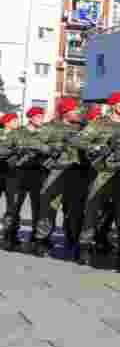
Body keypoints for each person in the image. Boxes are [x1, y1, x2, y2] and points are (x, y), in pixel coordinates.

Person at [75, 92, 120, 269]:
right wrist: (96, 147)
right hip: (102, 173)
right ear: (113, 105)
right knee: (92, 211)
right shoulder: (99, 123)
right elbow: (79, 140)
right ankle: (85, 247)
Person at [37, 98, 85, 258]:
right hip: (55, 172)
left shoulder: (82, 128)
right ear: (65, 112)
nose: (78, 112)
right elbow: (36, 143)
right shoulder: (50, 127)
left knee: (75, 210)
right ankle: (42, 241)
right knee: (49, 209)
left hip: (76, 173)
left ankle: (74, 241)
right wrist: (52, 148)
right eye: (75, 110)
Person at [6, 107, 49, 254]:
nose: (41, 119)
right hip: (19, 175)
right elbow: (3, 149)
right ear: (30, 118)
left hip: (38, 175)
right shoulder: (17, 133)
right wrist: (16, 151)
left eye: (42, 117)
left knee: (38, 209)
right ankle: (10, 236)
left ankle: (37, 240)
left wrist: (45, 150)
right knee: (14, 208)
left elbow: (52, 149)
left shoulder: (45, 133)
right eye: (38, 117)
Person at [0, 113, 20, 248]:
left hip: (13, 175)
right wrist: (10, 150)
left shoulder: (20, 135)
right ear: (7, 123)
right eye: (14, 120)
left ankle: (10, 234)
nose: (17, 122)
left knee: (12, 207)